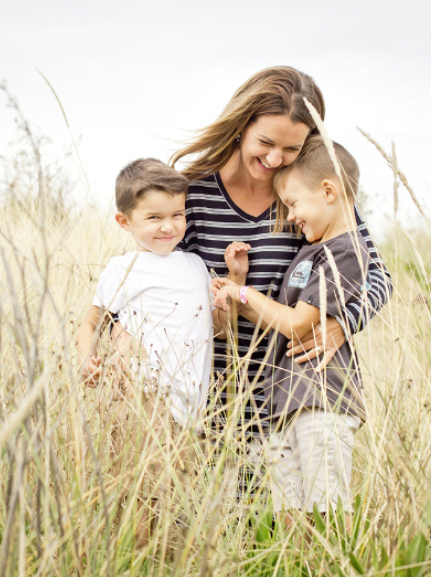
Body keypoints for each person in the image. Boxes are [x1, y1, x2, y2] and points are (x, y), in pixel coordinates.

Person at [168, 66, 392, 496]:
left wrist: (343, 322)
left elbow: (376, 274)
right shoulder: (192, 193)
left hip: (288, 395)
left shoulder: (309, 193)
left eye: (291, 148)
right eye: (265, 143)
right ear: (240, 126)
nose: (274, 160)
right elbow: (160, 276)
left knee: (289, 529)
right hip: (212, 396)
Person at [211, 136, 368, 523]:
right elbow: (281, 318)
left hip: (322, 399)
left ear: (328, 190)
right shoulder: (311, 250)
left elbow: (298, 322)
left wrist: (244, 293)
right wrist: (236, 286)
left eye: (294, 204)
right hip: (286, 402)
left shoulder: (345, 252)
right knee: (289, 513)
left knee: (327, 507)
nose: (292, 215)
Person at [75, 158, 213, 547]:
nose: (169, 226)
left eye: (177, 214)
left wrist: (235, 280)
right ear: (125, 222)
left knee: (177, 503)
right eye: (154, 217)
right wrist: (88, 359)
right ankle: (135, 558)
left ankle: (161, 561)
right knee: (144, 496)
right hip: (143, 398)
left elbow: (212, 325)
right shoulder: (123, 268)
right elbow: (90, 324)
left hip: (191, 409)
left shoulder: (196, 265)